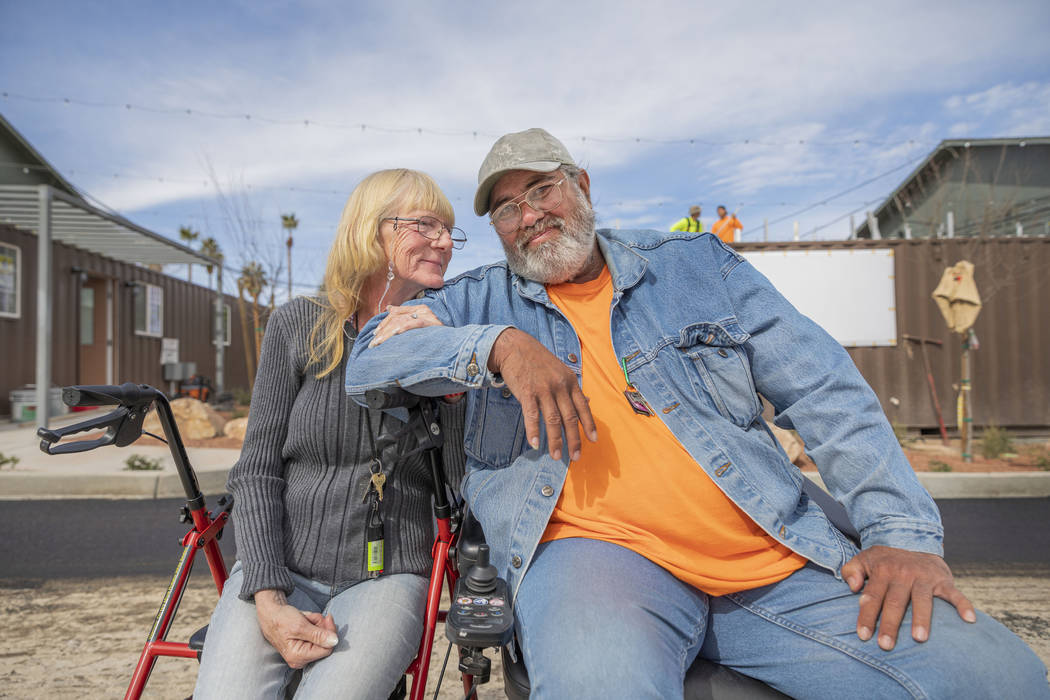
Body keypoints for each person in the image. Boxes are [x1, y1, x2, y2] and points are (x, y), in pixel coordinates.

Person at [346, 130, 1050, 698]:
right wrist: (497, 345)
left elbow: (825, 389)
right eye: (505, 208)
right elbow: (369, 361)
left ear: (582, 187)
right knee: (596, 684)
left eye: (542, 189)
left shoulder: (696, 267)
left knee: (1000, 679)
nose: (528, 214)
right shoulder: (476, 300)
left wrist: (901, 532)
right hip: (598, 560)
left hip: (773, 553)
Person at [194, 169, 468, 699]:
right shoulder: (300, 324)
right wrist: (268, 596)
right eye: (426, 225)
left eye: (449, 230)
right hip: (282, 567)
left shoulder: (449, 335)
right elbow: (255, 470)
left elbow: (457, 482)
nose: (444, 241)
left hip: (390, 576)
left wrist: (452, 379)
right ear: (372, 231)